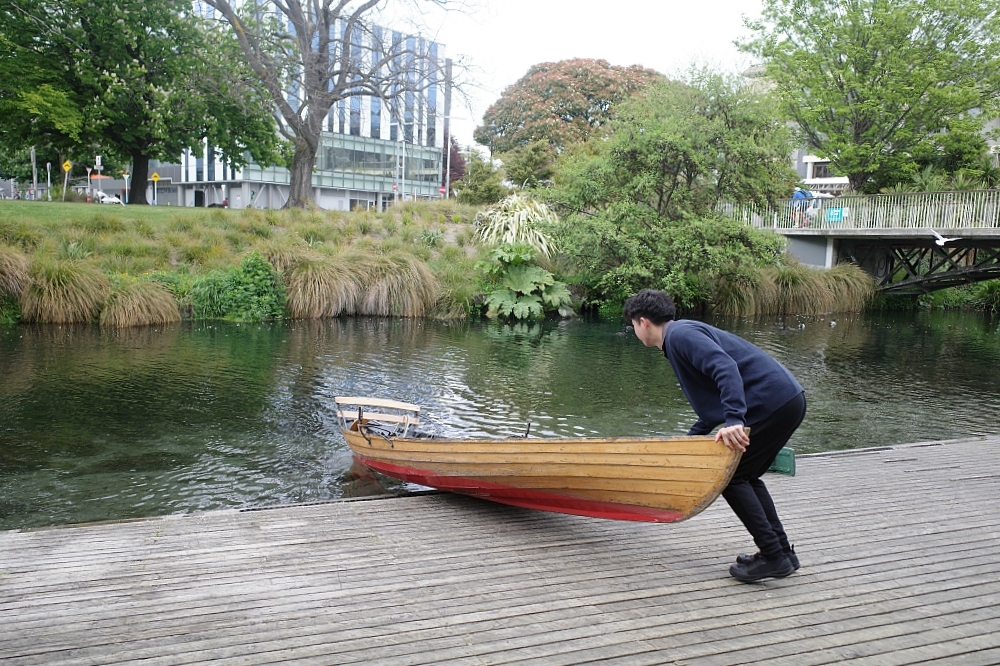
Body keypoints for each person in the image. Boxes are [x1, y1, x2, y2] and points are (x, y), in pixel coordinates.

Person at [624, 289, 806, 582]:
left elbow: (726, 368)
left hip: (772, 402)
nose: (634, 331)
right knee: (746, 475)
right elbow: (710, 411)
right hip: (784, 400)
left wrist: (734, 419)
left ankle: (774, 556)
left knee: (732, 477)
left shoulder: (680, 335)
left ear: (643, 322)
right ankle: (782, 552)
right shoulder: (677, 339)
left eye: (632, 325)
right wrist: (688, 442)